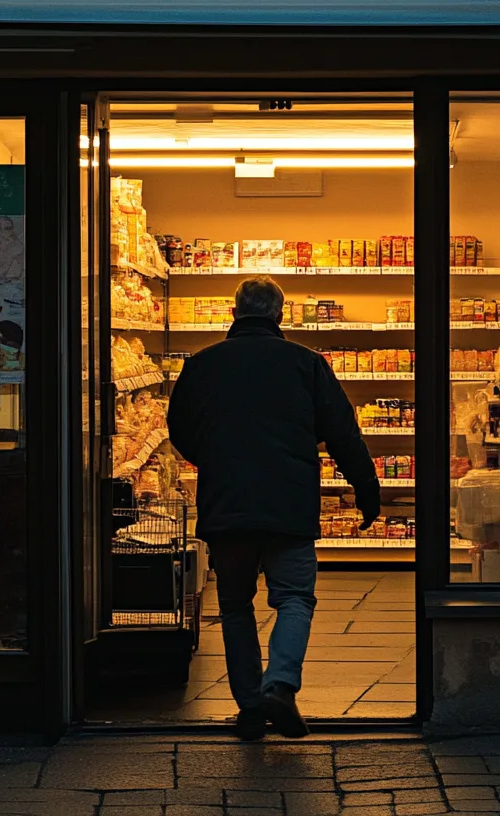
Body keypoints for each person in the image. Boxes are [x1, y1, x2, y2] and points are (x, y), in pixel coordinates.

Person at [168, 276, 380, 740]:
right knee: (295, 598)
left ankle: (249, 706)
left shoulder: (202, 365)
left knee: (235, 606)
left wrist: (218, 460)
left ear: (234, 312)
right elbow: (343, 431)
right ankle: (280, 688)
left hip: (227, 504)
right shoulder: (307, 364)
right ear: (280, 315)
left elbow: (180, 428)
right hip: (289, 501)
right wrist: (365, 485)